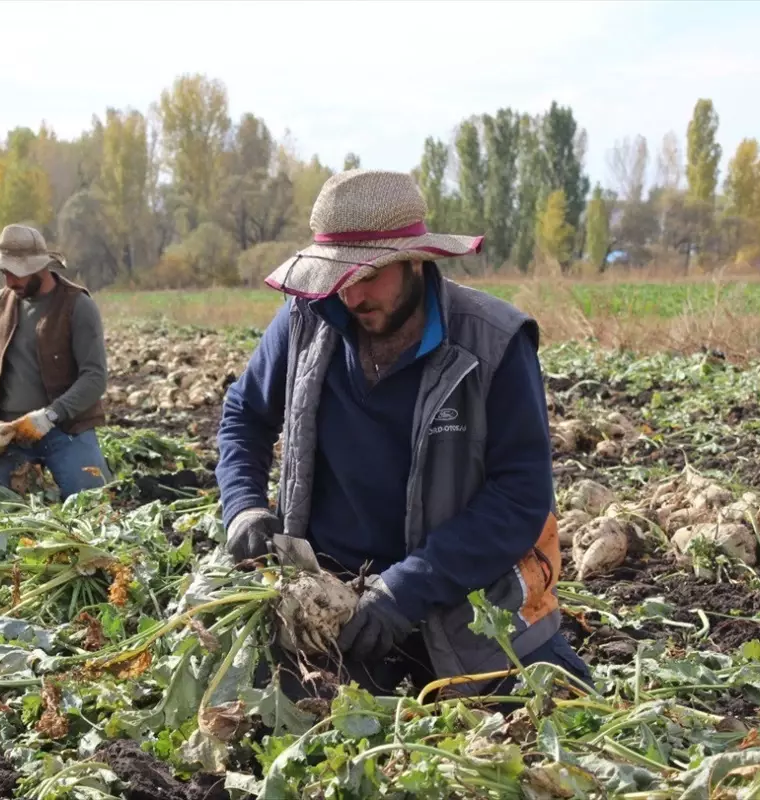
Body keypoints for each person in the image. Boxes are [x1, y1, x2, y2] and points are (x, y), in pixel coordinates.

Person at [215, 169, 591, 701]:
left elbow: (521, 494)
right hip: (335, 603)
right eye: (338, 277)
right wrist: (244, 507)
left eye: (368, 276)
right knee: (275, 728)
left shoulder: (494, 344)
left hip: (467, 600)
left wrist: (406, 589)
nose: (352, 295)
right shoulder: (305, 321)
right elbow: (243, 416)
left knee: (564, 722)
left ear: (415, 259)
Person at [0, 224, 112, 500]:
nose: (9, 282)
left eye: (15, 273)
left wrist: (48, 417)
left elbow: (94, 378)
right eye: (4, 273)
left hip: (65, 431)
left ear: (39, 267)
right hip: (6, 435)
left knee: (91, 501)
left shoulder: (77, 306)